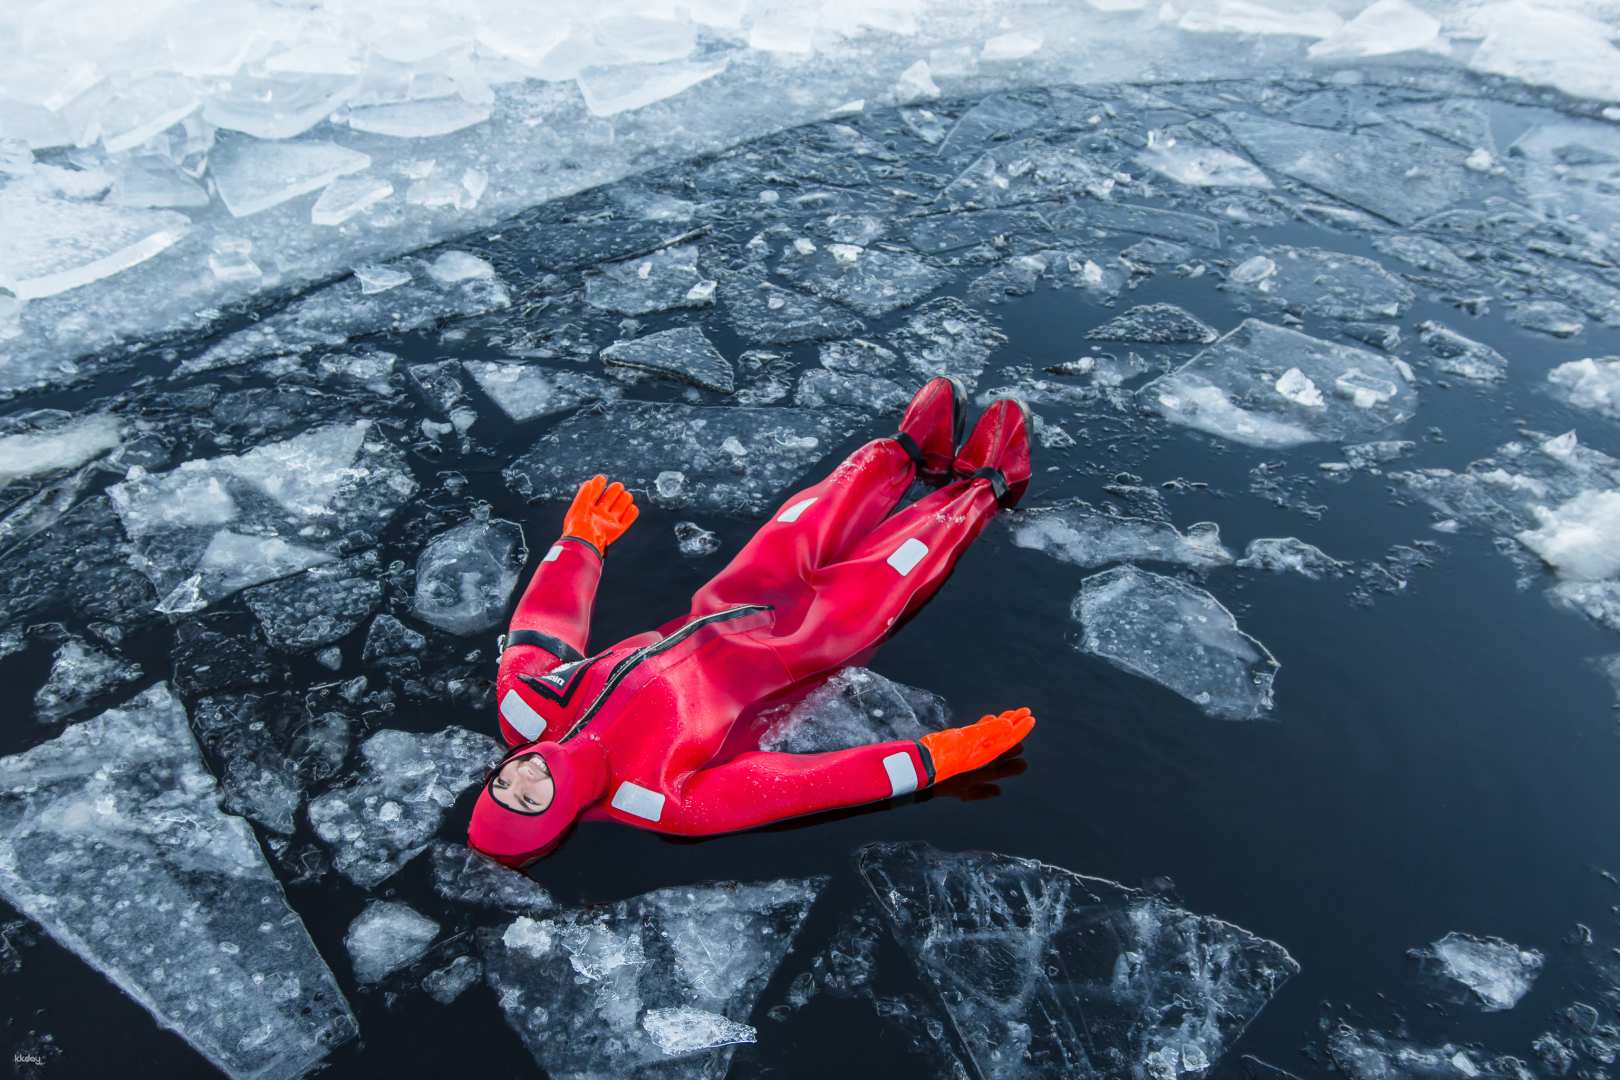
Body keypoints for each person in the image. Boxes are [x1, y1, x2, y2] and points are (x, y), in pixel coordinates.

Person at [467, 377, 1037, 867]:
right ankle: (988, 482)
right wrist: (934, 760)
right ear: (558, 817)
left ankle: (910, 449)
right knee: (902, 557)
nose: (525, 777)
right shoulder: (664, 800)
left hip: (725, 603)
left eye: (504, 784)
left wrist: (580, 542)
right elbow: (808, 786)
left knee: (805, 518)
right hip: (806, 648)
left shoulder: (526, 707)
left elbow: (542, 625)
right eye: (526, 800)